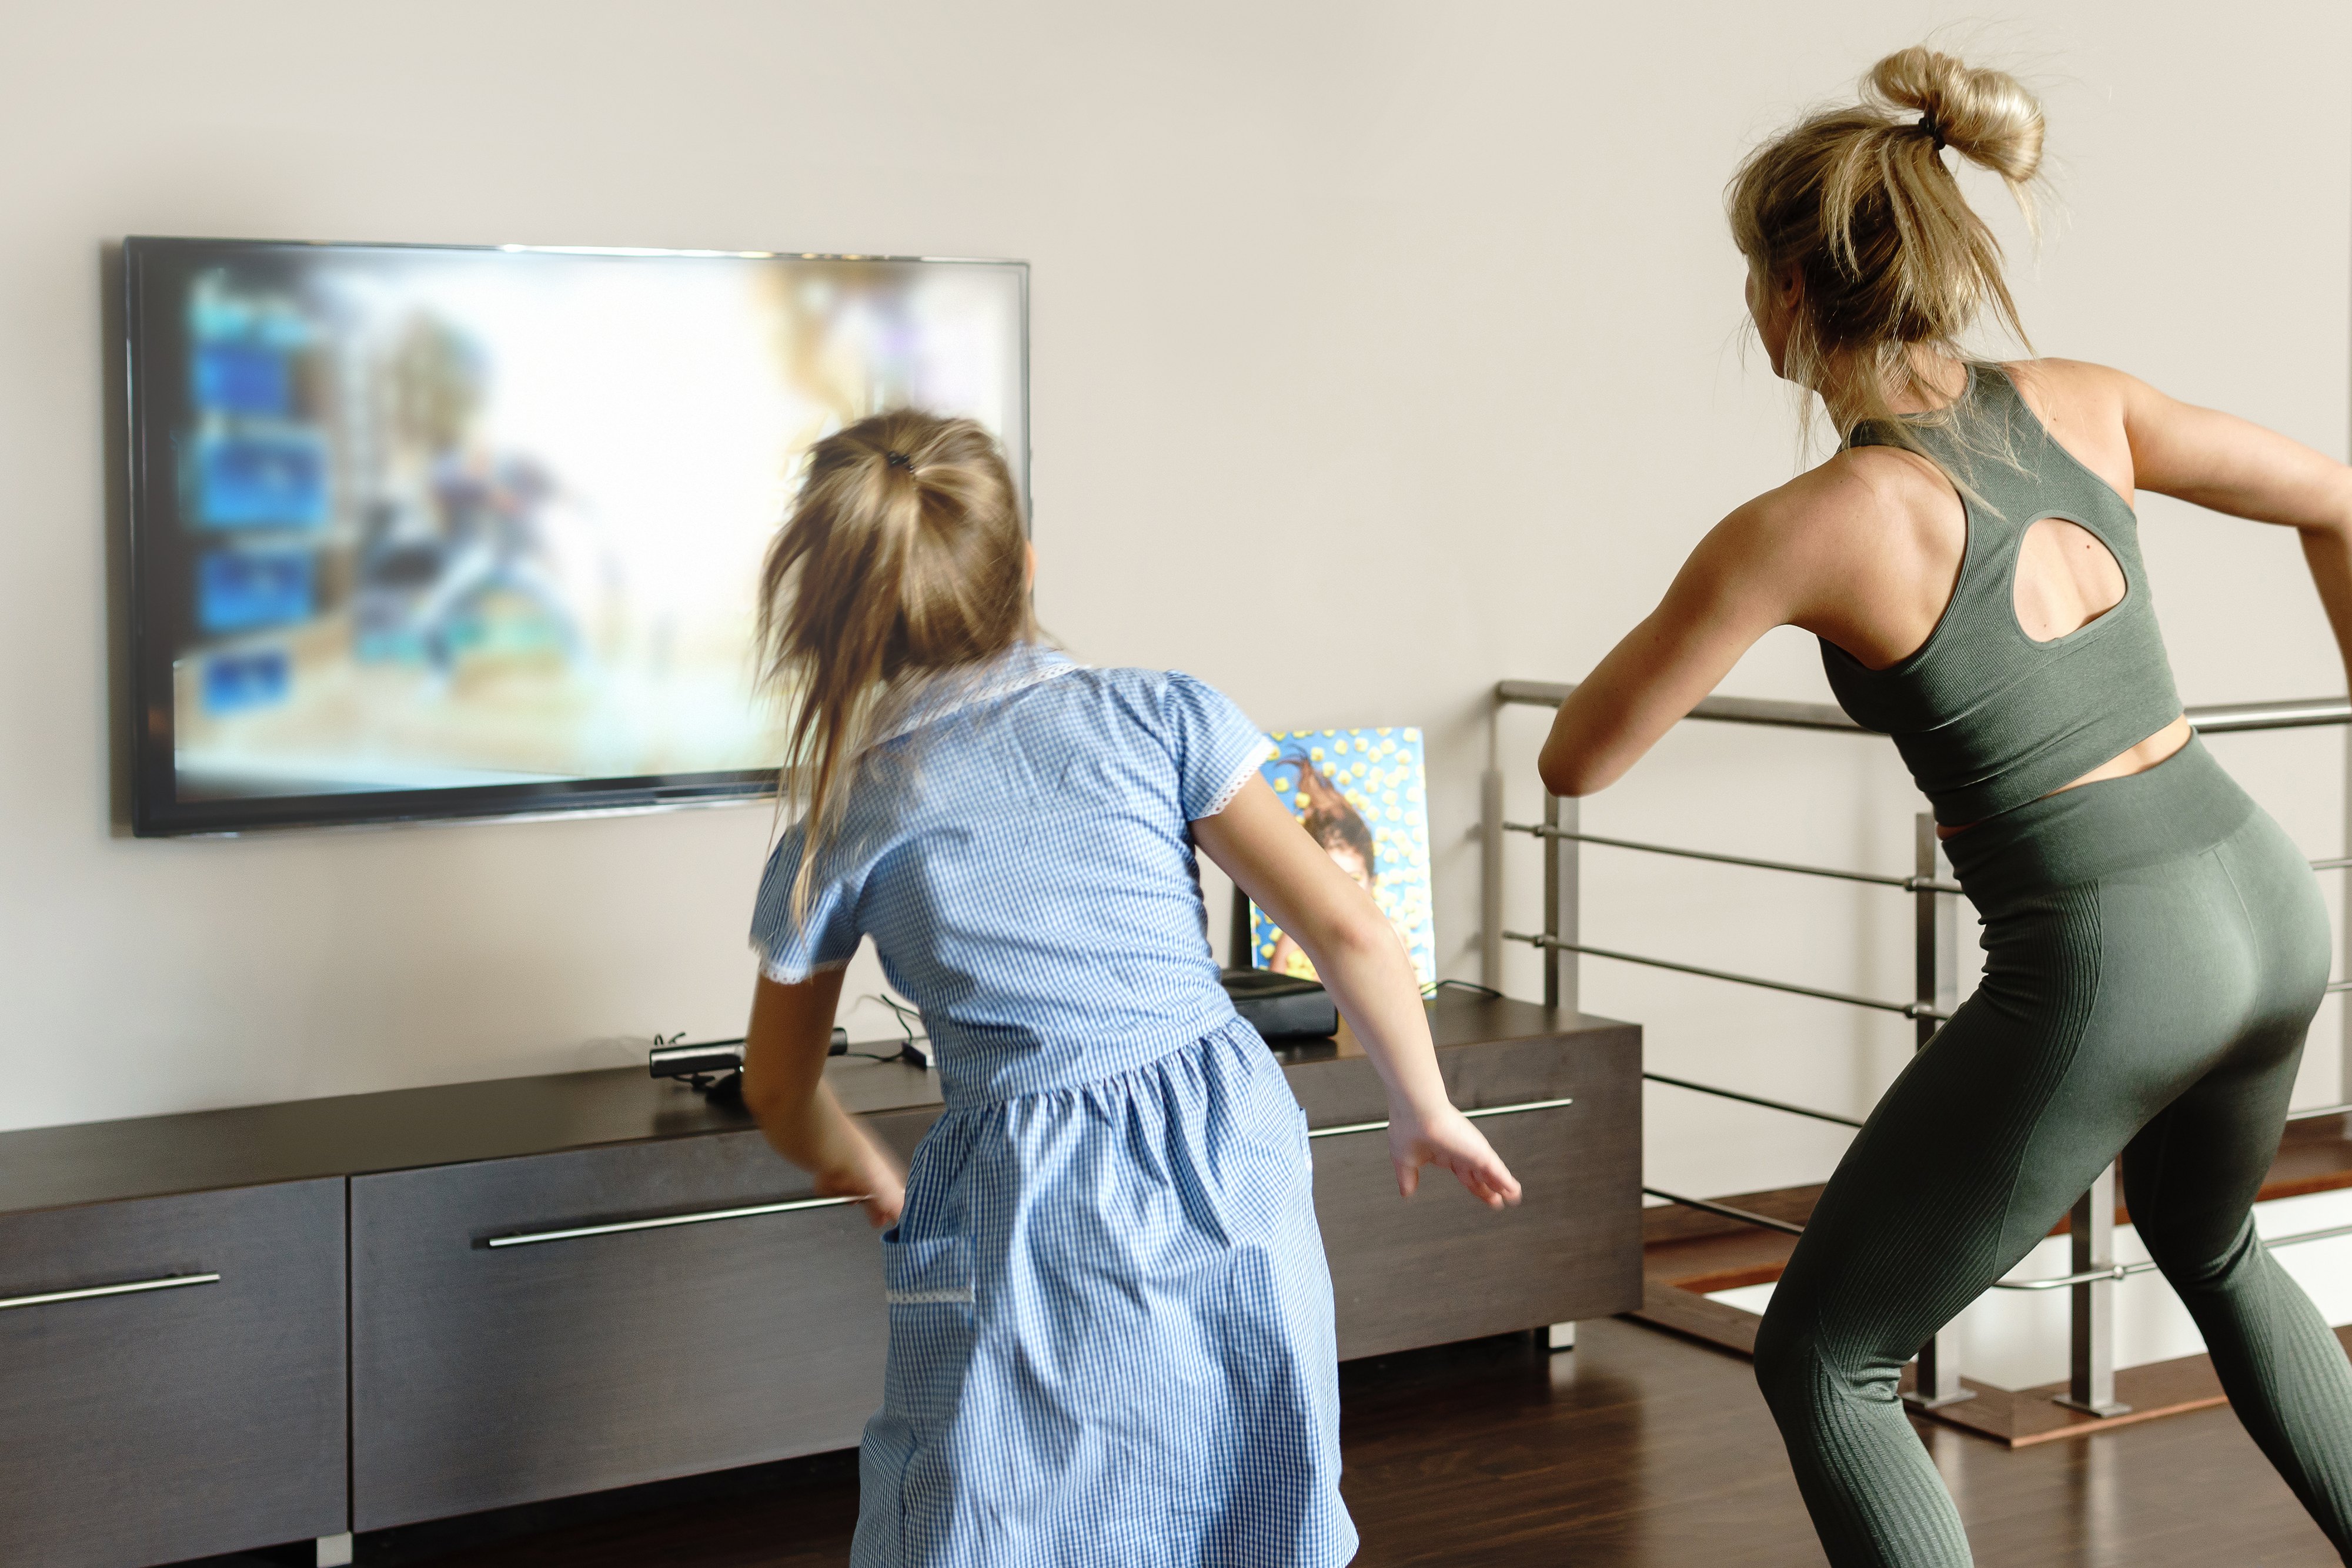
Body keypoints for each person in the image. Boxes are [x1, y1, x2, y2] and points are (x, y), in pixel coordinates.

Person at [1536, 45, 2352, 1568]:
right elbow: (2337, 494)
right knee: (2219, 1242)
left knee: (1826, 1355)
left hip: (2116, 952)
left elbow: (1574, 760)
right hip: (2263, 887)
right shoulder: (2084, 403)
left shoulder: (1808, 526)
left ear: (1789, 289)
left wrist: (1735, 597)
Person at [735, 409, 1522, 1567]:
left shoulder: (842, 823)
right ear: (1026, 571)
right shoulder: (1159, 712)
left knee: (991, 1502)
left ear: (835, 614)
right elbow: (1349, 923)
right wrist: (1422, 1097)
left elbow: (775, 1085)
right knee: (1236, 1464)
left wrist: (863, 1168)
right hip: (1227, 1139)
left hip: (1028, 1192)